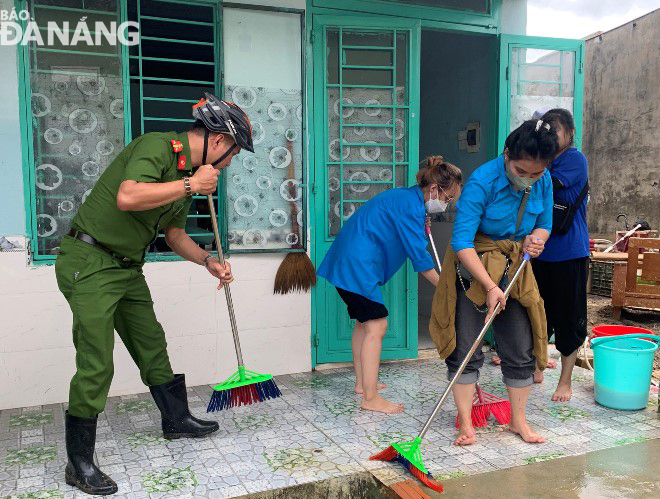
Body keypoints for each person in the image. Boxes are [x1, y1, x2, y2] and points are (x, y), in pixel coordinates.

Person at [54, 93, 253, 495]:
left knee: (152, 344)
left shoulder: (190, 174)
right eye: (234, 152)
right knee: (97, 360)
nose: (231, 162)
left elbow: (174, 234)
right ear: (218, 141)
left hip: (127, 268)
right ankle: (79, 464)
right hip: (90, 260)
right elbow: (127, 197)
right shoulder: (158, 147)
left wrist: (207, 260)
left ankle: (176, 420)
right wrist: (189, 184)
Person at [430, 120, 559, 446]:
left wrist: (537, 240)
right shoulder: (483, 181)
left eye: (536, 173)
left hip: (516, 266)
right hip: (474, 270)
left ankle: (518, 422)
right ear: (506, 155)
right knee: (466, 348)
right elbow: (461, 242)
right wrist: (489, 286)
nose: (527, 178)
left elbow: (545, 224)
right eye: (521, 170)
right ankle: (465, 426)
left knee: (519, 348)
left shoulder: (543, 181)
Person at [317, 157, 462, 414]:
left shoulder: (407, 200)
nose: (446, 204)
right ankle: (370, 399)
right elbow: (420, 257)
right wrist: (445, 288)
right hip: (357, 266)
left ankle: (363, 385)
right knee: (377, 324)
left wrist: (421, 220)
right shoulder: (409, 206)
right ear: (434, 190)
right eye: (447, 198)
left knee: (364, 324)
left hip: (351, 262)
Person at [532, 108, 590, 401]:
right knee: (537, 313)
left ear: (569, 132)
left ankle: (565, 381)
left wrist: (531, 166)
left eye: (555, 130)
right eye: (546, 130)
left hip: (569, 253)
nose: (551, 136)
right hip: (539, 252)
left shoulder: (574, 159)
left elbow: (546, 185)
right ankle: (537, 365)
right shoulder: (542, 159)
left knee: (568, 317)